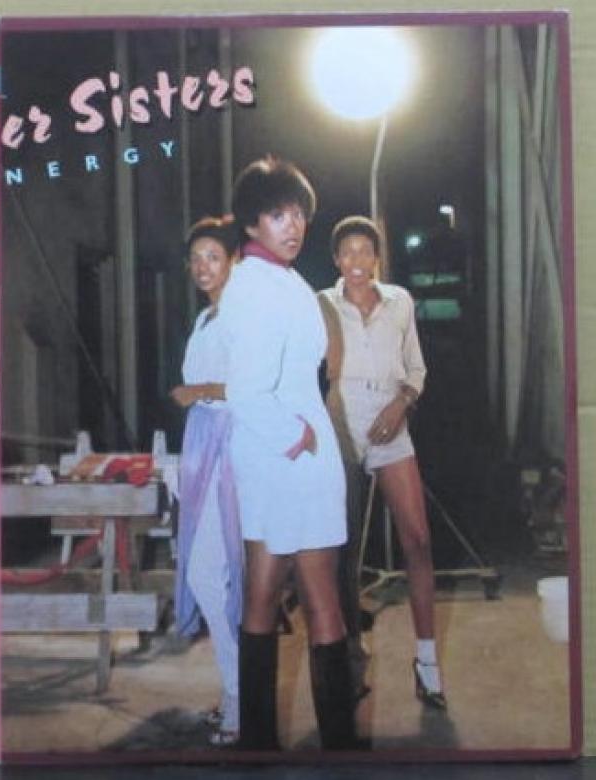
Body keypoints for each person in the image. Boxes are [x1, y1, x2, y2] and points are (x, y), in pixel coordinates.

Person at [219, 156, 355, 751]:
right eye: (277, 214)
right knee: (323, 599)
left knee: (263, 592)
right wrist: (297, 435)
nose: (292, 225)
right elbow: (246, 390)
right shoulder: (256, 286)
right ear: (251, 222)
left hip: (272, 455)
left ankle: (257, 745)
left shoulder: (275, 278)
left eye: (298, 213)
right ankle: (340, 750)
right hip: (291, 453)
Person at [318, 215, 447, 709]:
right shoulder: (320, 303)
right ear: (336, 259)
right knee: (343, 552)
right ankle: (350, 660)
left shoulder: (400, 301)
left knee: (418, 538)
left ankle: (427, 664)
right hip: (342, 420)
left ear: (376, 258)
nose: (356, 260)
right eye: (347, 251)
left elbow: (416, 368)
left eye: (364, 250)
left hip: (392, 418)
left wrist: (402, 404)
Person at [171, 216, 243, 746]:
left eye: (213, 256)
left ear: (234, 260)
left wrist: (198, 392)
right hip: (202, 444)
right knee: (209, 573)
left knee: (211, 573)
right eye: (196, 259)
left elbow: (254, 385)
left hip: (231, 445)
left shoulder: (242, 316)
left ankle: (241, 699)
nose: (203, 267)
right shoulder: (204, 318)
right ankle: (236, 692)